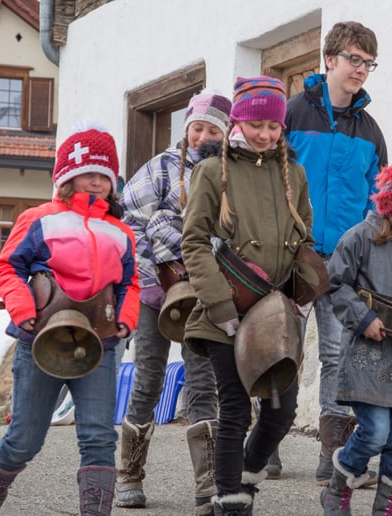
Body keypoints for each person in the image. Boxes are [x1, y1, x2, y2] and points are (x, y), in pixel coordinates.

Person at [0, 122, 140, 516]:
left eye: (104, 176)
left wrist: (126, 321)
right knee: (24, 439)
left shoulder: (121, 233)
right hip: (39, 339)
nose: (96, 183)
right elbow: (6, 268)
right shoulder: (39, 219)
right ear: (67, 177)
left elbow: (131, 284)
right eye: (87, 174)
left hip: (100, 345)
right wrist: (22, 308)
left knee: (99, 437)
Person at [181, 75, 316, 516]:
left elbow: (304, 240)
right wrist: (220, 306)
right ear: (239, 119)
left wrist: (308, 283)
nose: (265, 135)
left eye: (273, 127)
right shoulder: (209, 171)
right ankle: (231, 504)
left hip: (274, 318)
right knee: (236, 410)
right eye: (257, 124)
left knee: (281, 411)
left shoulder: (294, 173)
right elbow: (194, 242)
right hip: (224, 313)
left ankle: (243, 480)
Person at [116, 91, 232, 514]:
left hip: (203, 295)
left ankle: (208, 485)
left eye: (213, 129)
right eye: (197, 127)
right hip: (152, 293)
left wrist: (200, 265)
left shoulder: (228, 175)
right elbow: (131, 226)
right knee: (148, 380)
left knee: (204, 383)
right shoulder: (160, 168)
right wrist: (170, 260)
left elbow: (230, 232)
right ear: (186, 128)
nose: (203, 135)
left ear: (226, 133)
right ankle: (130, 473)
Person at [285, 20, 388, 486]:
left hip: (343, 263)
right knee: (280, 350)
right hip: (292, 255)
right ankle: (268, 440)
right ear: (330, 59)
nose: (361, 69)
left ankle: (333, 452)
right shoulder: (292, 114)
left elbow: (377, 201)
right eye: (354, 59)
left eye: (368, 62)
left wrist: (367, 249)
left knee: (335, 355)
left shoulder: (371, 131)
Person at [320, 160, 392, 516]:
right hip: (368, 352)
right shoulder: (359, 237)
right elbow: (334, 285)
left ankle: (387, 506)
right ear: (387, 201)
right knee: (374, 432)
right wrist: (363, 318)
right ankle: (338, 487)